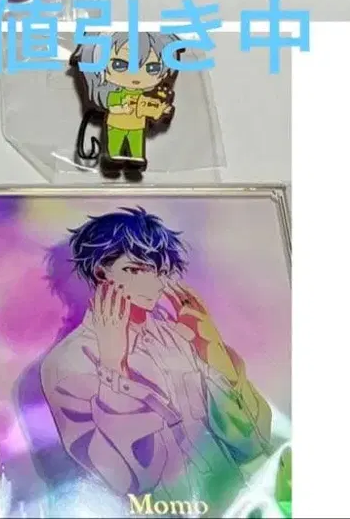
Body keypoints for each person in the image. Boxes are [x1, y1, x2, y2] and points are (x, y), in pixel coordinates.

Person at [39, 208, 273, 511]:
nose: (155, 284)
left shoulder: (178, 335)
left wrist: (213, 351)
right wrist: (114, 370)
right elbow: (127, 478)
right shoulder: (67, 363)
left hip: (238, 506)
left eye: (159, 272)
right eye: (136, 270)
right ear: (101, 273)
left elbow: (254, 442)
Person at [71, 32, 179, 174]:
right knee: (116, 141)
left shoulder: (147, 96)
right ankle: (114, 156)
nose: (135, 75)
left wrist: (161, 110)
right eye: (119, 64)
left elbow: (150, 108)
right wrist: (121, 109)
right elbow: (111, 105)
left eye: (152, 68)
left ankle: (137, 158)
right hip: (116, 124)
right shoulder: (114, 93)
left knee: (136, 142)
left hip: (138, 125)